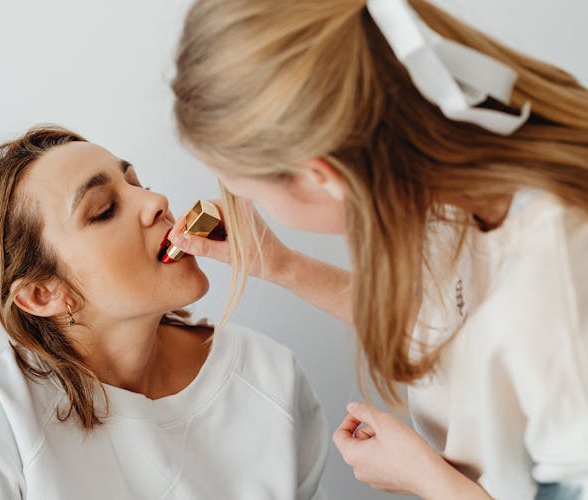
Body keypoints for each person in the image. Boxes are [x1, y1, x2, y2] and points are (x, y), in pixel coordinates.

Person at [168, 0, 588, 498]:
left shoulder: (554, 278)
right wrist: (281, 266)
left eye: (253, 194)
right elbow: (440, 319)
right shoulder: (441, 190)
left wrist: (426, 479)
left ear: (321, 177)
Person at [0, 125, 328, 500]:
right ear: (42, 294)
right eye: (104, 209)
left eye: (136, 183)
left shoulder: (270, 375)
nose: (156, 201)